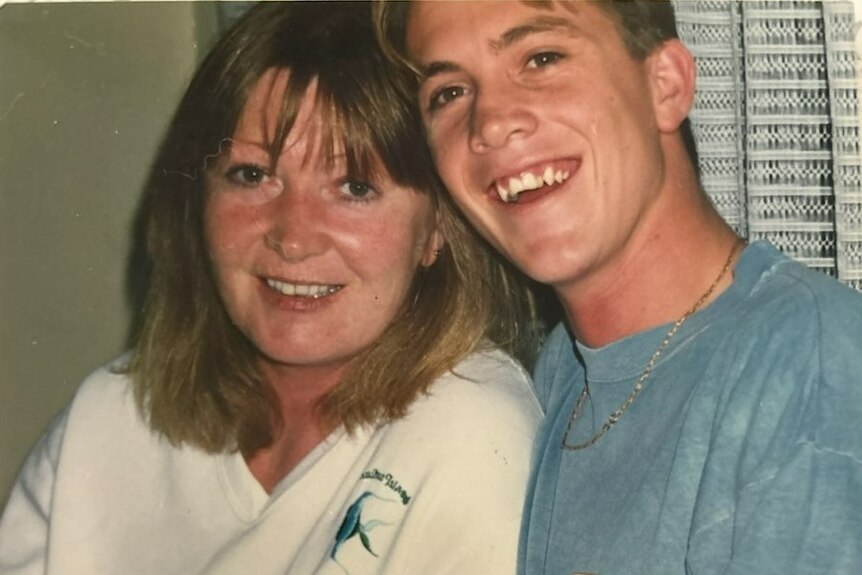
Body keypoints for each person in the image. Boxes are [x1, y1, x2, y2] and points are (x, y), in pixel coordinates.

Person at [0, 3, 544, 574]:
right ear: (196, 200)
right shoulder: (110, 417)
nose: (293, 236)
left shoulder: (472, 433)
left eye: (354, 187)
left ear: (436, 229)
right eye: (252, 175)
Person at [376, 1, 862, 573]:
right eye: (449, 93)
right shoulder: (566, 368)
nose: (490, 123)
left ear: (666, 86)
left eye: (541, 58)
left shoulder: (810, 363)